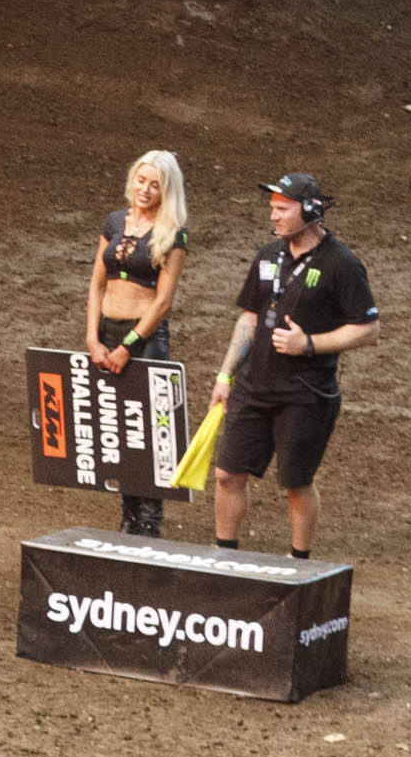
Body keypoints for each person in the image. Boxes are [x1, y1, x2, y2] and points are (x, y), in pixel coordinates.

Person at [207, 173, 380, 560]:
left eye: (283, 209)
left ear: (311, 211)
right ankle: (223, 556)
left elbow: (369, 329)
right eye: (273, 208)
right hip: (253, 385)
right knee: (227, 474)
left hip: (305, 394)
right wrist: (225, 374)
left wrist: (310, 345)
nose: (274, 216)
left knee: (296, 483)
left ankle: (299, 562)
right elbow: (249, 319)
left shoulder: (342, 264)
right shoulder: (268, 255)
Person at [84, 149, 191, 534]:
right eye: (141, 180)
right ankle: (128, 516)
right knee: (117, 424)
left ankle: (149, 519)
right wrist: (92, 337)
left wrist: (127, 345)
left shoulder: (173, 234)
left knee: (149, 429)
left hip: (144, 339)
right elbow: (97, 284)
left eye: (154, 185)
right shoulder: (115, 222)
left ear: (167, 191)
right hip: (108, 333)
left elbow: (163, 301)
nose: (145, 189)